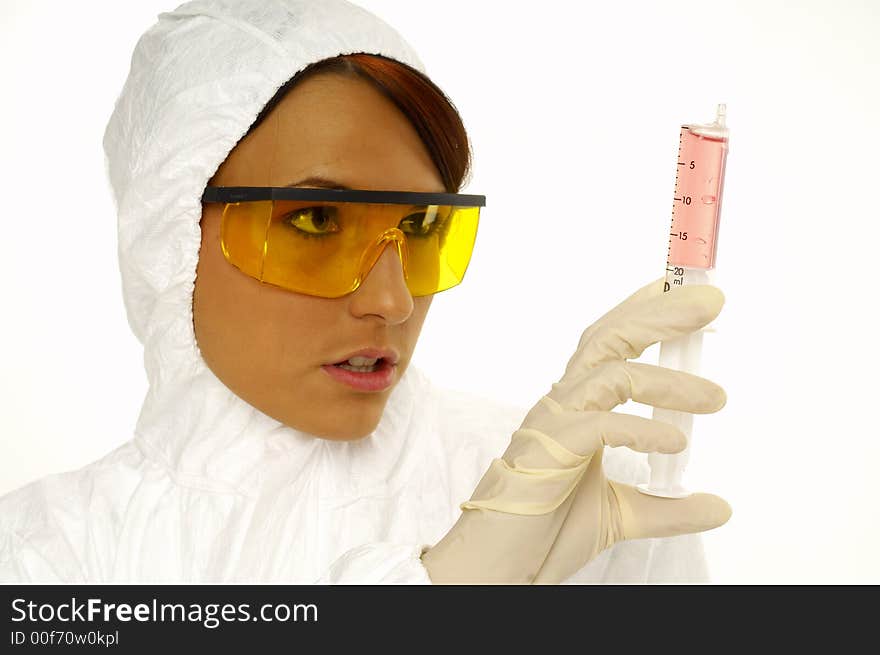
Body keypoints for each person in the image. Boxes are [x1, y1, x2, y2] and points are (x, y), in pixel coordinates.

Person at [0, 0, 730, 584]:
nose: (393, 301)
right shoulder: (45, 558)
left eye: (419, 225)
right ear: (170, 233)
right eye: (317, 219)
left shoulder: (589, 510)